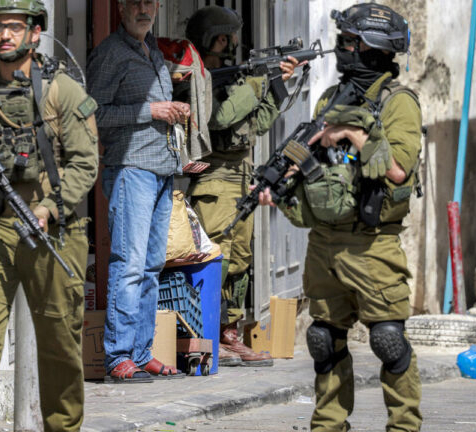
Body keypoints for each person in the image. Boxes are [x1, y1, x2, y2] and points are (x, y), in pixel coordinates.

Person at [0, 1, 99, 430]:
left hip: (53, 231)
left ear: (35, 32)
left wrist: (48, 208)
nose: (3, 35)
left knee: (59, 342)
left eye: (13, 26)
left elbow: (85, 164)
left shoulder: (63, 92)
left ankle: (62, 427)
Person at [258, 3, 423, 431]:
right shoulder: (331, 97)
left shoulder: (398, 102)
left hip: (372, 245)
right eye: (344, 41)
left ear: (373, 48)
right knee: (323, 340)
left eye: (351, 42)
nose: (343, 49)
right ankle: (328, 425)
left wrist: (352, 133)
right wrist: (282, 182)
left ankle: (404, 426)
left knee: (388, 340)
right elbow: (316, 158)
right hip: (325, 242)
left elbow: (398, 170)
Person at [184, 5, 301, 367]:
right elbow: (220, 117)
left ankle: (229, 333)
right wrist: (257, 82)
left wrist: (277, 85)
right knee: (217, 258)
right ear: (215, 38)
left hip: (240, 175)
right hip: (214, 178)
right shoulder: (198, 77)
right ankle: (208, 334)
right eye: (228, 36)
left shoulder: (237, 80)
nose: (233, 42)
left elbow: (255, 124)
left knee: (240, 261)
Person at [86, 0, 191, 383]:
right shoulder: (111, 52)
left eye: (151, 2)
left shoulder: (153, 51)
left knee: (151, 267)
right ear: (122, 9)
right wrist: (153, 111)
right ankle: (118, 356)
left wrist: (173, 111)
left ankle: (142, 353)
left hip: (162, 169)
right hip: (131, 169)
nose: (144, 9)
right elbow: (93, 113)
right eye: (136, 2)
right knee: (129, 264)